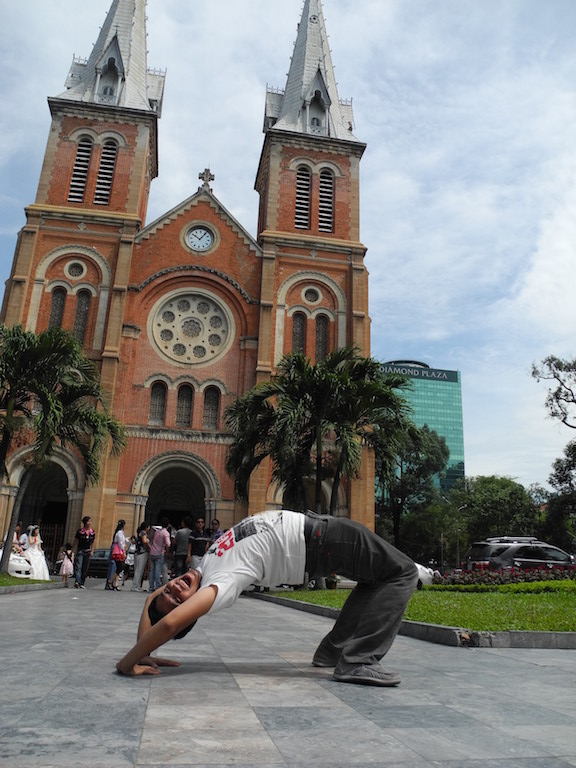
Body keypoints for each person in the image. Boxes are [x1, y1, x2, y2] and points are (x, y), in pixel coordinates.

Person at [116, 510, 420, 687]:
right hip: (322, 541)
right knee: (403, 571)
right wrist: (127, 663)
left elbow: (152, 601)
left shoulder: (206, 566)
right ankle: (358, 661)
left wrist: (144, 652)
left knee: (375, 577)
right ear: (190, 610)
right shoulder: (221, 582)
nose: (173, 587)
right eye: (177, 598)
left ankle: (332, 653)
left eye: (167, 589)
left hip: (319, 535)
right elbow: (170, 622)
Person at [148, 518, 171, 592]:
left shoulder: (157, 532)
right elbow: (168, 544)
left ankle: (151, 586)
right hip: (159, 553)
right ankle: (157, 586)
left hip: (153, 552)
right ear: (167, 525)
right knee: (157, 571)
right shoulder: (166, 533)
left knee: (152, 570)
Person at [74, 516, 95, 589]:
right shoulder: (80, 532)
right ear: (85, 522)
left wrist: (92, 551)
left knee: (85, 568)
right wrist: (72, 550)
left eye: (90, 521)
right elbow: (75, 541)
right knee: (78, 567)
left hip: (88, 551)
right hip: (80, 550)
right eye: (88, 521)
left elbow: (93, 542)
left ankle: (82, 582)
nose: (90, 523)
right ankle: (77, 581)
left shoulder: (92, 532)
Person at [107, 519, 127, 591]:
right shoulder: (120, 533)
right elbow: (120, 543)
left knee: (118, 568)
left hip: (118, 550)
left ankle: (115, 583)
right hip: (118, 551)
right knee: (120, 567)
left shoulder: (119, 532)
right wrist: (124, 551)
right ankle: (110, 581)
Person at [131, 522, 151, 592]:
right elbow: (144, 541)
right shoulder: (143, 533)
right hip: (142, 552)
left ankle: (136, 585)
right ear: (146, 527)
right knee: (140, 570)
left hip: (137, 552)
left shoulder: (139, 533)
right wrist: (148, 548)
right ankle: (136, 586)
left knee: (137, 570)